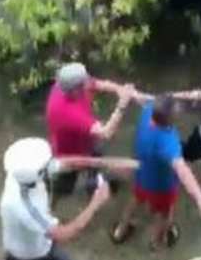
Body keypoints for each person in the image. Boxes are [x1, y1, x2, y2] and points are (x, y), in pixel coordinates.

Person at [111, 96, 201, 250]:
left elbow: (147, 98)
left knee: (136, 198)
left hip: (143, 173)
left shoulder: (149, 110)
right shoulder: (167, 141)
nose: (180, 112)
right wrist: (200, 196)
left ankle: (120, 230)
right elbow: (181, 168)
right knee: (164, 213)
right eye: (177, 112)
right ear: (170, 119)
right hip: (162, 186)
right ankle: (157, 241)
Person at [45, 63, 148, 203]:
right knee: (64, 188)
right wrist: (122, 105)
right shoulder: (66, 111)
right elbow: (106, 133)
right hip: (70, 155)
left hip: (87, 141)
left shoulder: (67, 85)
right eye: (85, 82)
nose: (89, 82)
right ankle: (51, 205)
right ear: (75, 89)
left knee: (96, 157)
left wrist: (124, 91)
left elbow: (99, 84)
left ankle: (91, 186)